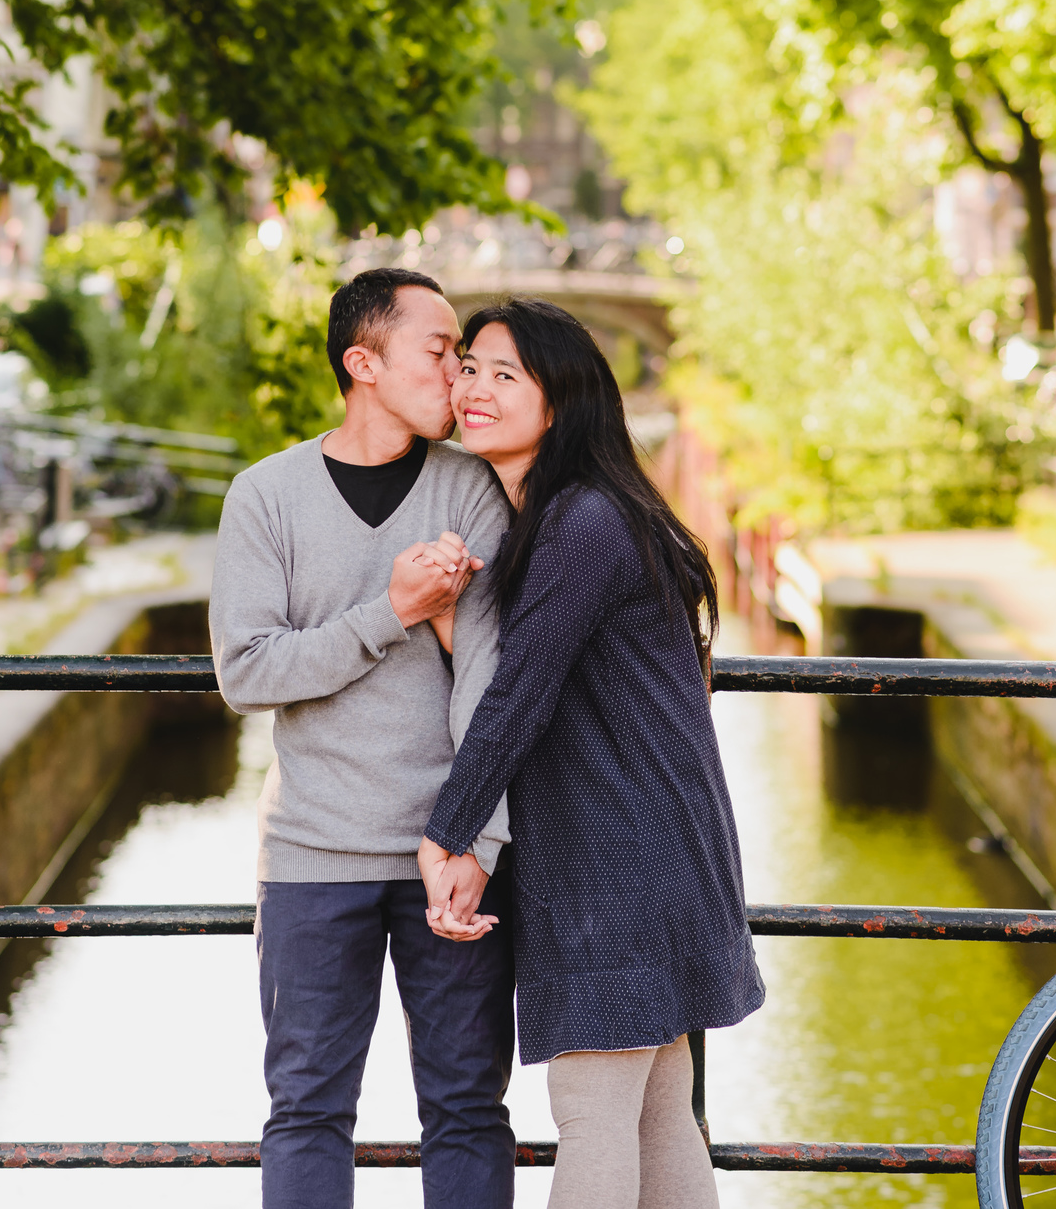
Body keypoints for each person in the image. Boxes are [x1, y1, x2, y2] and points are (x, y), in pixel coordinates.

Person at [418, 298, 764, 1209]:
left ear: (560, 404)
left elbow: (522, 693)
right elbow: (558, 679)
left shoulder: (581, 522)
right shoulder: (582, 515)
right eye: (470, 368)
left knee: (592, 1105)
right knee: (657, 1108)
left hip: (624, 856)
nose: (475, 389)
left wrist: (448, 832)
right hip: (656, 846)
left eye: (506, 375)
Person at [209, 267, 514, 1209]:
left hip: (447, 853)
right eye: (439, 352)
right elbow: (248, 673)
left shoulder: (472, 491)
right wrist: (392, 610)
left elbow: (494, 684)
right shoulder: (265, 497)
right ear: (363, 363)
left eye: (466, 357)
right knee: (306, 1110)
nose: (460, 377)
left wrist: (477, 836)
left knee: (467, 1108)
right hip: (309, 855)